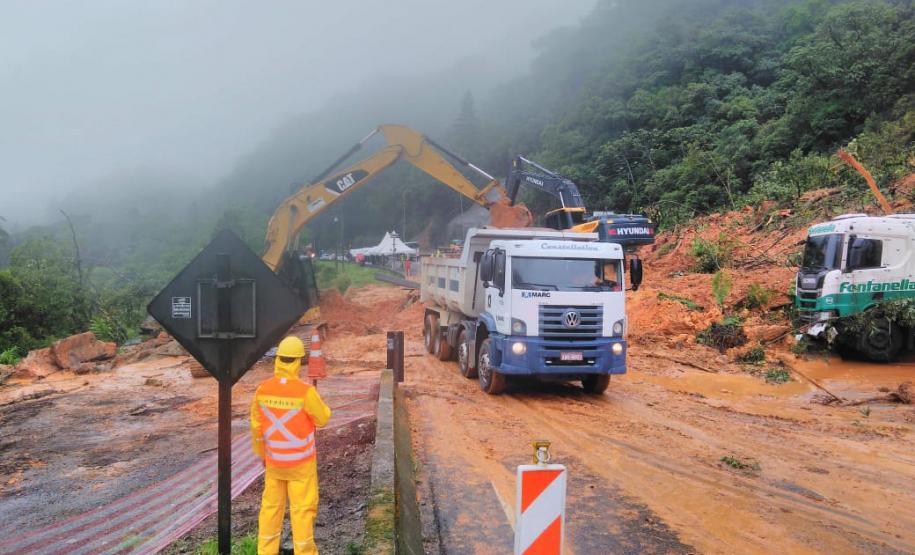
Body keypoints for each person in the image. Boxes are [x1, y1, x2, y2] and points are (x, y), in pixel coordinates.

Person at [250, 336, 331, 555]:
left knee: (271, 510)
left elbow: (256, 427)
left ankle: (266, 551)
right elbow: (323, 419)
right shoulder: (305, 392)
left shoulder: (262, 390)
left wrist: (262, 456)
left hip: (274, 464)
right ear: (298, 362)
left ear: (278, 360)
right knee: (302, 511)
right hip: (301, 465)